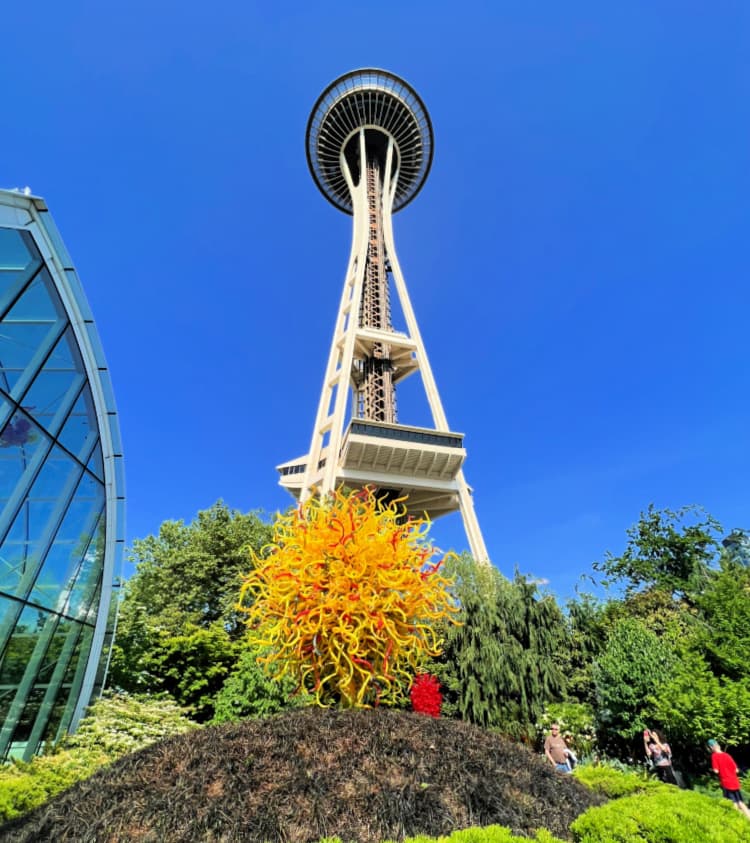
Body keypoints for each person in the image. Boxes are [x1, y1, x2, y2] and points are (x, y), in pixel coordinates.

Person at [708, 739, 750, 819]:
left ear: (711, 747)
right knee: (740, 802)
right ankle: (748, 818)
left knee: (733, 803)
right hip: (735, 782)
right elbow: (736, 770)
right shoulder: (727, 755)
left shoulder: (714, 756)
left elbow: (716, 771)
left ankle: (738, 820)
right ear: (718, 746)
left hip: (726, 783)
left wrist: (715, 769)